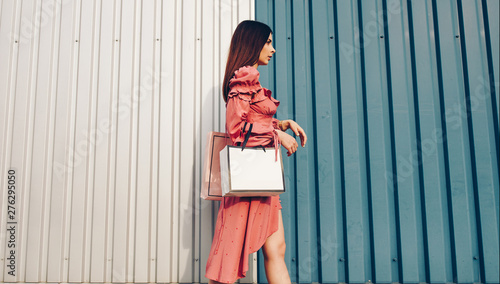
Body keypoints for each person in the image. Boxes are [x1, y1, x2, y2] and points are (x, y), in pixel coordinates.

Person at [205, 20, 307, 284]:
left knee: (276, 248)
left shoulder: (253, 81)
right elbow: (236, 128)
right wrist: (277, 134)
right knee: (227, 259)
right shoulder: (244, 76)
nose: (272, 49)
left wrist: (282, 124)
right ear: (253, 43)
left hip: (263, 179)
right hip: (246, 183)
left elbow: (253, 117)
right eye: (268, 42)